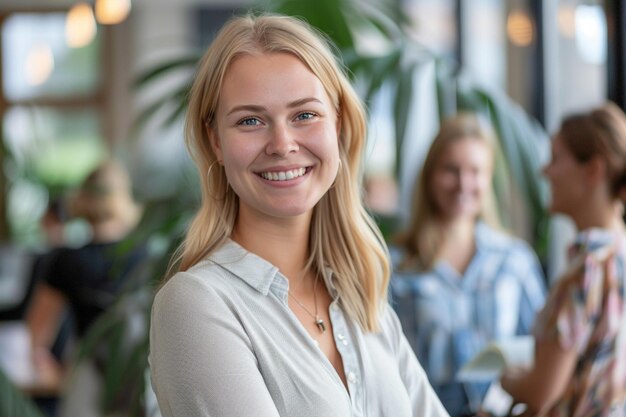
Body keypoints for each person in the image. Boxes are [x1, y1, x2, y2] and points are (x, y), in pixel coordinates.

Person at [149, 13, 449, 417]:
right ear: (215, 140)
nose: (281, 143)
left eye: (304, 115)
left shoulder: (361, 298)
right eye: (250, 121)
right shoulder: (196, 304)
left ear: (338, 124)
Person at [389, 113, 547, 416]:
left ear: (489, 179)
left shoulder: (514, 260)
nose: (464, 183)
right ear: (430, 175)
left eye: (475, 171)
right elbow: (385, 362)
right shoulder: (396, 265)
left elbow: (539, 352)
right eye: (451, 170)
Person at [500, 102, 626, 417]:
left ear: (594, 170)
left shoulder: (587, 267)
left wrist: (507, 377)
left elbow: (542, 391)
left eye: (555, 159)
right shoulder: (618, 255)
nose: (545, 171)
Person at [26, 159, 145, 417]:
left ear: (82, 199)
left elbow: (38, 336)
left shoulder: (66, 260)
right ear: (123, 198)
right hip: (140, 378)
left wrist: (56, 372)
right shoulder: (148, 258)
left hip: (86, 378)